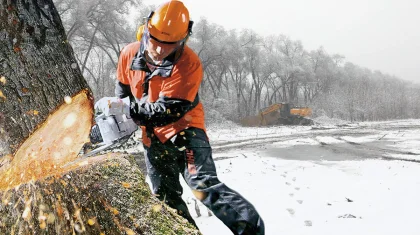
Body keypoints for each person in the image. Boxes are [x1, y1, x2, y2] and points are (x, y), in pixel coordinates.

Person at [109, 1, 265, 234]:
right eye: (156, 41)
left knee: (202, 185)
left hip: (186, 133)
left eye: (169, 44)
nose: (161, 49)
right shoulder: (129, 54)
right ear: (146, 31)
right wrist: (119, 118)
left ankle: (251, 229)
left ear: (183, 40)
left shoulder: (188, 63)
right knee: (166, 200)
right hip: (152, 138)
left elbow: (167, 111)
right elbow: (122, 93)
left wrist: (131, 112)